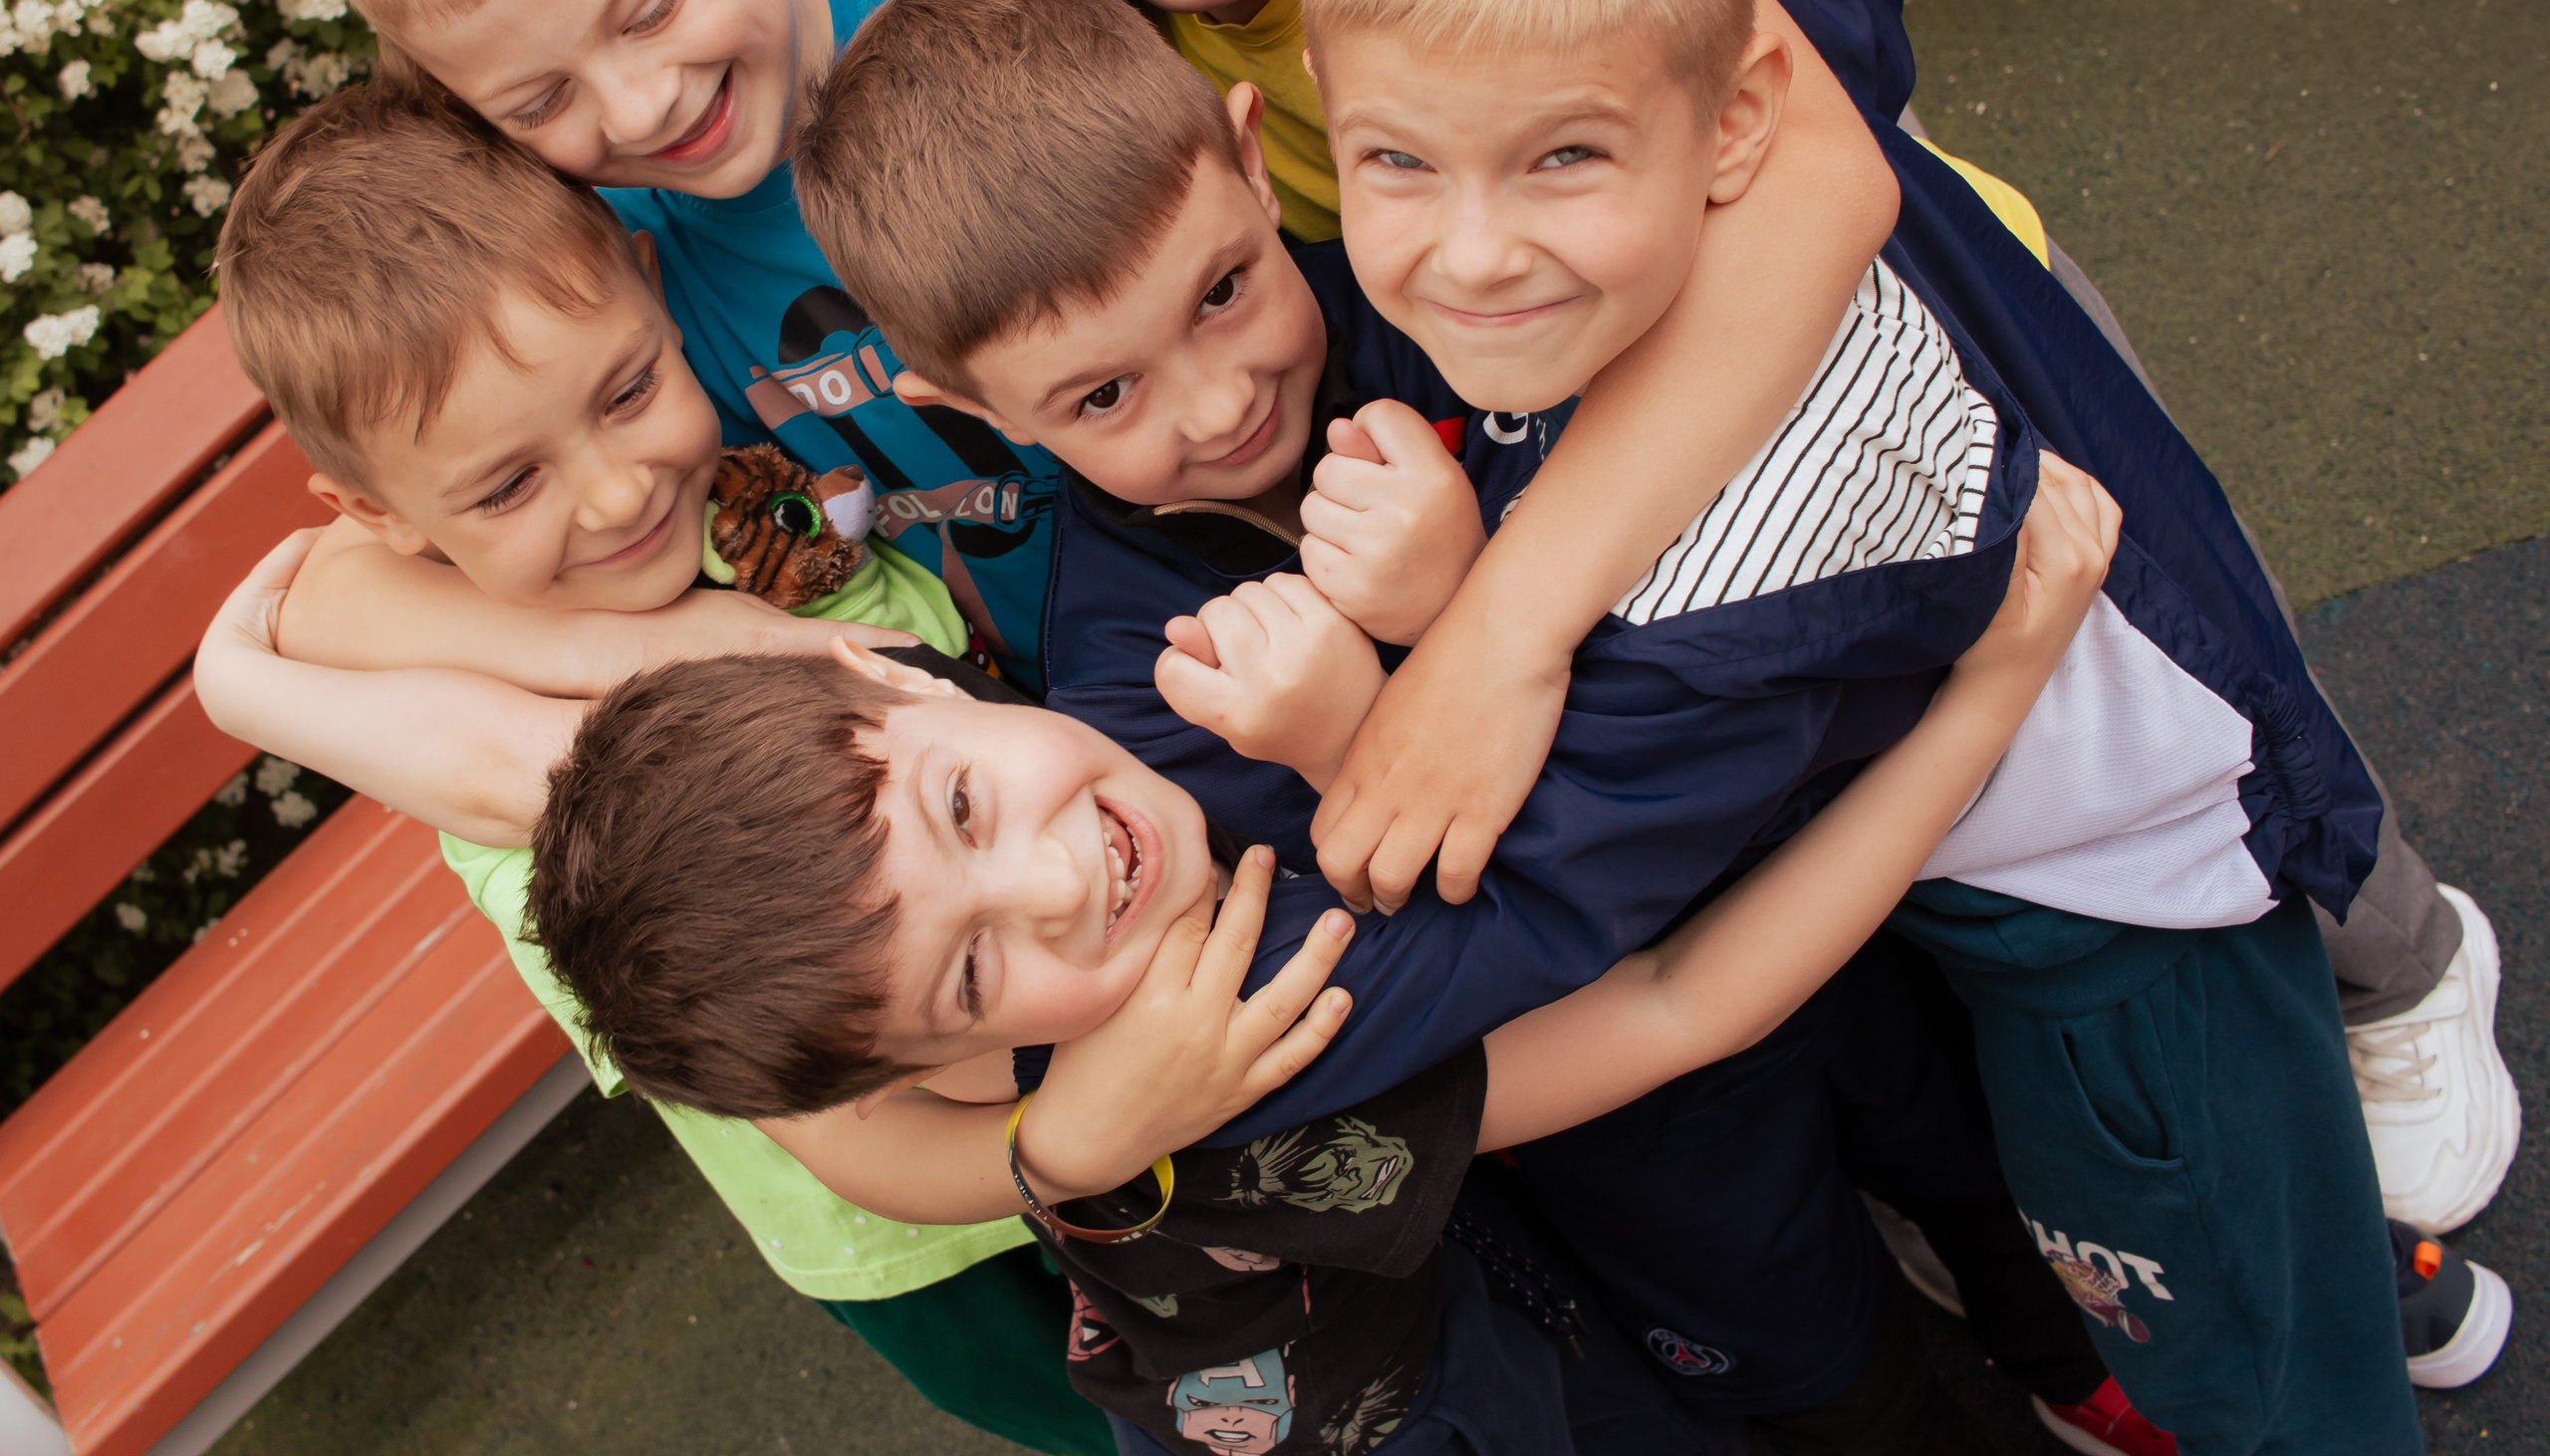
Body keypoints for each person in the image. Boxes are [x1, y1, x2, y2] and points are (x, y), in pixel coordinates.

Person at [879, 0, 2517, 1240]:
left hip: (1934, 375)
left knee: (2175, 684)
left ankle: (2397, 954)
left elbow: (1824, 194)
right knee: (1981, 810)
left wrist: (1502, 630)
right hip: (1663, 473)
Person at [1289, 0, 2495, 1448]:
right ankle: (2394, 1295)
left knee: (2232, 1328)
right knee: (2259, 1223)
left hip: (2117, 935)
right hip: (2019, 870)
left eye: (1563, 157)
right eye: (1400, 162)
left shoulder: (1762, 560)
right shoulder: (1672, 249)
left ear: (1738, 121)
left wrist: (1210, 1094)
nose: (1469, 254)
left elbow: (1550, 899)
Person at [790, 0, 2165, 1452]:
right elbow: (1409, 927)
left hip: (1843, 896)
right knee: (1813, 1358)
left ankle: (2058, 1352)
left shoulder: (1448, 301)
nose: (1218, 401)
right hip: (1624, 1111)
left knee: (1968, 1157)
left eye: (1225, 291)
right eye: (1102, 399)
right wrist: (1372, 709)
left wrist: (1475, 598)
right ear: (969, 415)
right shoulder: (1125, 674)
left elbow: (1683, 530)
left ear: (1254, 158)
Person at [523, 451, 2123, 1456]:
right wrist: (1985, 697)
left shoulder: (971, 834)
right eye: (974, 971)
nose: (1055, 880)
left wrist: (270, 646)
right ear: (938, 1059)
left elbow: (835, 1110)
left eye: (961, 809)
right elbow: (1679, 1001)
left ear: (920, 683)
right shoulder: (1245, 1048)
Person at [193, 79, 1113, 1456]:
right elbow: (849, 1127)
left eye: (627, 390)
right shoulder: (509, 778)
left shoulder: (762, 504)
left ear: (643, 285)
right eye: (509, 487)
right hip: (951, 1236)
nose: (618, 491)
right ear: (382, 516)